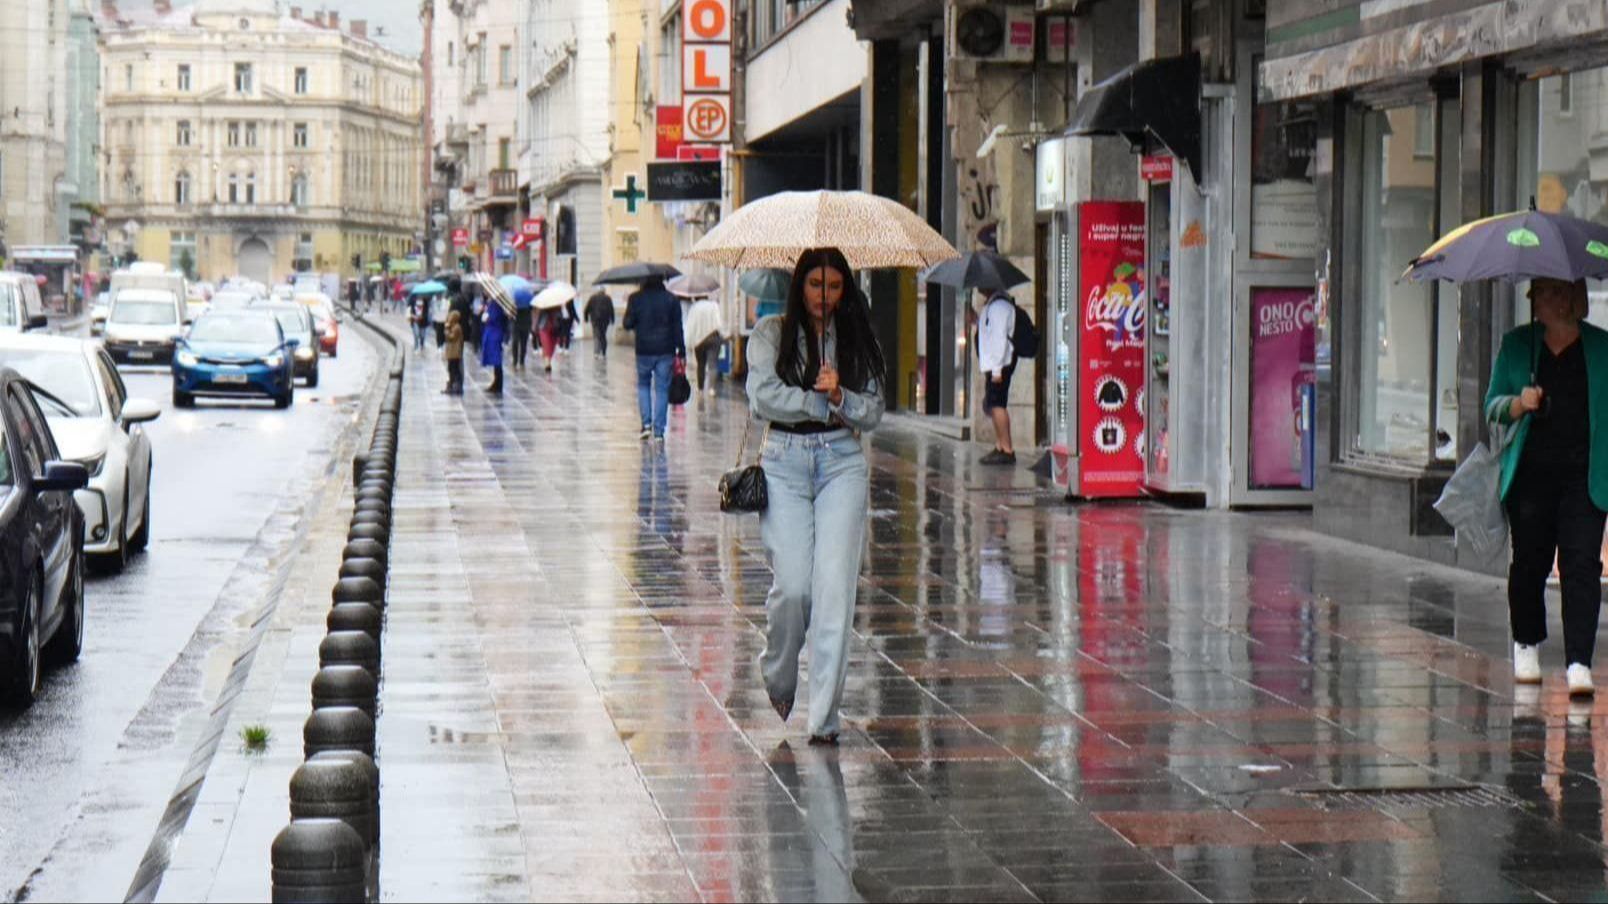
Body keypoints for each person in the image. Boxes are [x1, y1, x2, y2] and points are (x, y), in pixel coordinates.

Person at [747, 247, 885, 745]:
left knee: (833, 593)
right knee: (794, 588)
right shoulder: (771, 334)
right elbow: (762, 397)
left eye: (834, 286)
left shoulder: (857, 338)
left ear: (845, 289)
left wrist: (841, 395)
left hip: (841, 463)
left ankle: (824, 718)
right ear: (799, 285)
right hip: (784, 462)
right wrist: (817, 400)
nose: (823, 296)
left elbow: (874, 410)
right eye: (815, 285)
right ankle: (779, 671)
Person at [1485, 276, 1608, 696]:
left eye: (1548, 292)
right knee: (1529, 564)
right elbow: (1491, 405)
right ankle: (1526, 645)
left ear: (1569, 297)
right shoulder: (1517, 345)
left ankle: (1579, 662)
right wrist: (1518, 403)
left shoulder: (1600, 348)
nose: (1539, 300)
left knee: (1582, 567)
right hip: (1531, 478)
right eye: (1536, 293)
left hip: (1584, 479)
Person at [622, 277, 685, 441]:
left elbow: (627, 324)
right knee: (662, 389)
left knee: (643, 385)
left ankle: (646, 425)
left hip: (643, 350)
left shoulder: (635, 299)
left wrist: (635, 318)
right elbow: (678, 327)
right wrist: (682, 351)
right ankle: (659, 431)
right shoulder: (671, 299)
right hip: (666, 350)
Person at [976, 289, 1019, 465]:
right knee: (993, 404)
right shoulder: (992, 305)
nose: (978, 288)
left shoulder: (999, 306)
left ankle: (1007, 449)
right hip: (994, 364)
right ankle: (1000, 445)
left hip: (1000, 364)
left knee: (997, 404)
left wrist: (996, 371)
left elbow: (1000, 339)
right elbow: (990, 332)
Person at [683, 295, 726, 397]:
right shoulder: (714, 305)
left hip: (699, 340)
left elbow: (691, 326)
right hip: (714, 337)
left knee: (701, 364)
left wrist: (688, 342)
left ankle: (700, 388)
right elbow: (719, 322)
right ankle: (712, 388)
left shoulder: (694, 308)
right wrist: (724, 335)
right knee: (713, 364)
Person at [481, 297, 507, 394]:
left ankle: (498, 383)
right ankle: (496, 381)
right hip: (493, 331)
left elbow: (493, 317)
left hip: (494, 332)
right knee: (495, 358)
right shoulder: (493, 302)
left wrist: (487, 317)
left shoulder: (496, 303)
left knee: (496, 358)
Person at [586, 289, 615, 358]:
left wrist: (586, 317)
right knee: (603, 335)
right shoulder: (608, 298)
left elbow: (587, 308)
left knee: (596, 335)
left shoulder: (592, 298)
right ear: (604, 292)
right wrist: (612, 319)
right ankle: (603, 352)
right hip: (605, 320)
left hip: (595, 320)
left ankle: (596, 352)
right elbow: (611, 309)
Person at [443, 309, 465, 395]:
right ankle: (451, 385)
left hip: (454, 353)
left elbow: (452, 337)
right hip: (451, 353)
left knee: (454, 369)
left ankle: (455, 386)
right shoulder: (453, 326)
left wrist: (447, 331)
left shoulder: (456, 327)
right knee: (450, 369)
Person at [511, 301, 533, 371]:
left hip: (525, 324)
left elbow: (531, 310)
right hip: (517, 324)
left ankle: (521, 361)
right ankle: (515, 361)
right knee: (515, 342)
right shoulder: (515, 302)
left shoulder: (529, 302)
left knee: (523, 344)